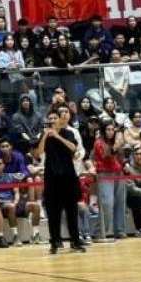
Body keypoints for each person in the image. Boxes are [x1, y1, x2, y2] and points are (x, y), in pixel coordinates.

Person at [36, 106, 86, 254]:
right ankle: (55, 242)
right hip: (51, 178)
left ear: (60, 119)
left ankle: (75, 241)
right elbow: (39, 152)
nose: (52, 121)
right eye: (50, 119)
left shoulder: (68, 133)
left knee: (72, 212)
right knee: (53, 213)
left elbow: (73, 148)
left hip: (68, 177)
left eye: (54, 118)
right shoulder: (45, 135)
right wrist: (45, 136)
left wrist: (57, 136)